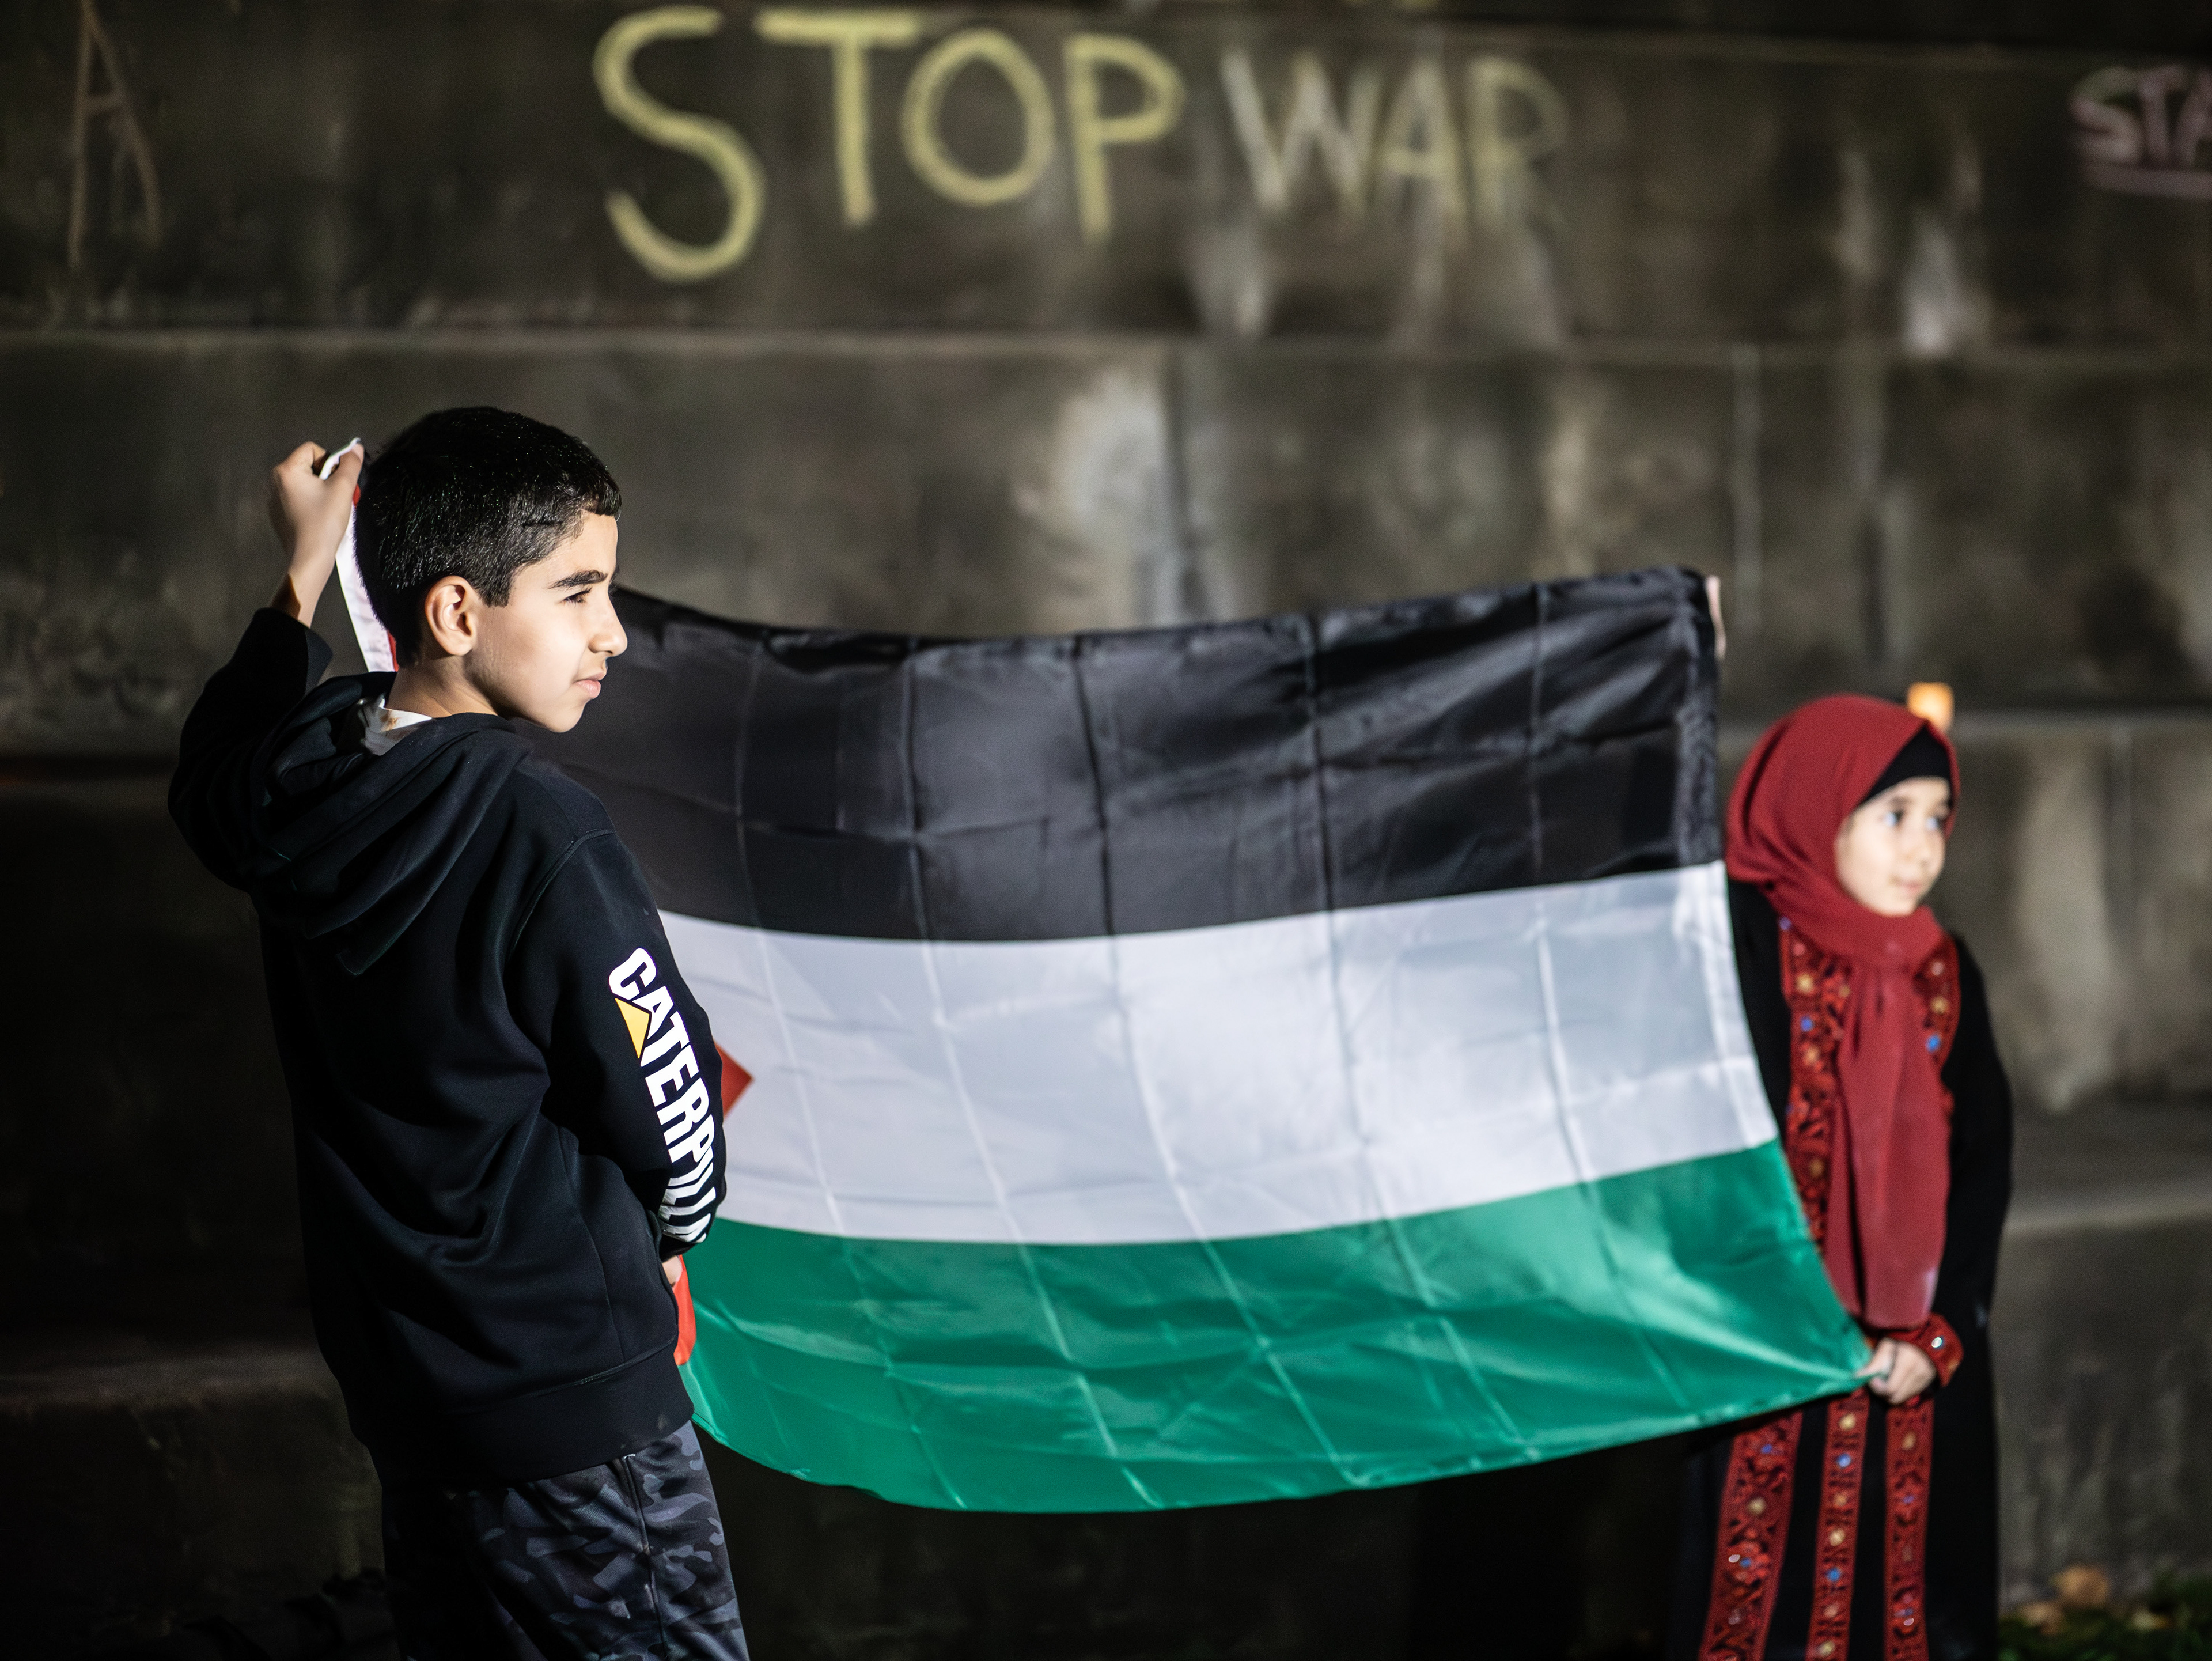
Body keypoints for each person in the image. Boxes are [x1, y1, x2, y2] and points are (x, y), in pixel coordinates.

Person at [169, 409, 748, 1660]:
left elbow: (208, 768)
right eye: (580, 591)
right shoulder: (547, 827)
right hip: (578, 1413)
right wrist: (675, 1234)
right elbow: (669, 1089)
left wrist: (300, 573)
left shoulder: (296, 777)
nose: (615, 631)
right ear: (454, 613)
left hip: (414, 1402)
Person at [1668, 695, 2013, 1661]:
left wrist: (1940, 1329)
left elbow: (1984, 1165)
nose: (1923, 847)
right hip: (1771, 1356)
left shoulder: (1942, 971)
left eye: (1938, 816)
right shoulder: (1738, 952)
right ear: (1818, 814)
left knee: (1909, 1604)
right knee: (1755, 1606)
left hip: (1913, 1361)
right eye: (1893, 815)